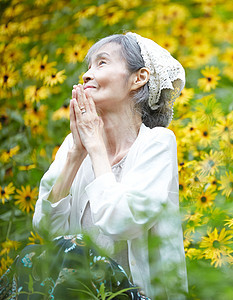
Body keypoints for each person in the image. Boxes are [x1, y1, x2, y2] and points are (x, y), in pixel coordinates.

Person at [3, 32, 188, 299]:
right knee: (33, 256)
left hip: (138, 294)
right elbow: (46, 230)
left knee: (73, 253)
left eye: (101, 63)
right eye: (88, 67)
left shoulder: (157, 142)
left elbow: (124, 223)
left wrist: (96, 149)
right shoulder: (74, 143)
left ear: (139, 78)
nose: (87, 75)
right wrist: (76, 154)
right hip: (79, 290)